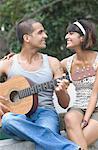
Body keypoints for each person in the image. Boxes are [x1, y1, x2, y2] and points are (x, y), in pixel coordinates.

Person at [0, 18, 80, 150]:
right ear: (27, 38)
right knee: (8, 120)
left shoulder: (52, 62)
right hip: (18, 119)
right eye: (40, 32)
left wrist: (61, 92)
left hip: (45, 113)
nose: (45, 36)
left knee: (44, 138)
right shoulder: (8, 63)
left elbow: (64, 104)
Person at [61, 19, 98, 150]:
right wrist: (17, 57)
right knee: (69, 117)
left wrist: (85, 120)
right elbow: (45, 66)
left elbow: (95, 93)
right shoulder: (66, 63)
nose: (67, 37)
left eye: (71, 33)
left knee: (77, 145)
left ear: (82, 38)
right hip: (78, 107)